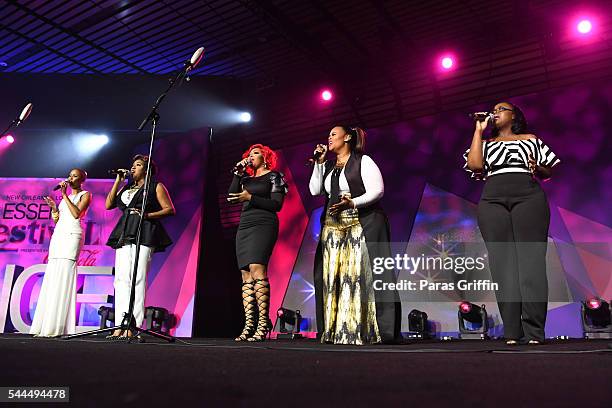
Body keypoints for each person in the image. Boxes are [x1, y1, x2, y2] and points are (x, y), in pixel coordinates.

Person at [464, 101, 560, 345]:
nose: (495, 113)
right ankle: (512, 332)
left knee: (531, 264)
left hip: (528, 197)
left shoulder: (529, 138)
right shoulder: (484, 143)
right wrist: (478, 130)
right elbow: (475, 166)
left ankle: (534, 331)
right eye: (493, 110)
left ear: (514, 115)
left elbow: (548, 172)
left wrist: (536, 166)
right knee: (502, 266)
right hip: (492, 200)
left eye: (501, 109)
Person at [309, 126, 400, 345]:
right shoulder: (329, 165)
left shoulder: (363, 160)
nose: (329, 137)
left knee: (361, 276)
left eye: (333, 134)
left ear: (347, 137)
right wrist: (319, 164)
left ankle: (368, 330)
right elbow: (314, 190)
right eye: (328, 134)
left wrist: (353, 202)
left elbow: (377, 190)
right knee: (334, 277)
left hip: (361, 222)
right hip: (333, 227)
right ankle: (337, 329)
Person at [105, 155, 175, 339]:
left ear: (146, 169)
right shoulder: (127, 187)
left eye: (137, 165)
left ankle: (133, 324)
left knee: (137, 279)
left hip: (144, 232)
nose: (133, 168)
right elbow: (108, 204)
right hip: (124, 232)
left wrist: (148, 215)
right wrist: (118, 180)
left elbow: (169, 209)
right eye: (132, 165)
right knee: (120, 280)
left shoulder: (155, 186)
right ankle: (120, 324)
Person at [228, 144, 288, 342]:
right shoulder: (245, 179)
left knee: (257, 268)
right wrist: (237, 175)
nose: (252, 156)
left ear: (265, 157)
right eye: (250, 153)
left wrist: (251, 197)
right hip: (244, 226)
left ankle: (263, 323)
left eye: (256, 153)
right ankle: (249, 324)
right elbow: (231, 197)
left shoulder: (274, 176)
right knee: (245, 273)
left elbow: (276, 205)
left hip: (264, 223)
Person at [30, 168, 91, 337]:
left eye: (75, 176)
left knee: (64, 274)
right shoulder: (66, 198)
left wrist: (64, 195)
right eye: (70, 175)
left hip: (72, 236)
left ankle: (58, 326)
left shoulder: (85, 195)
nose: (70, 178)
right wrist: (54, 209)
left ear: (81, 180)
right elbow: (58, 220)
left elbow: (76, 214)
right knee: (53, 275)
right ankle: (46, 324)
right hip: (59, 236)